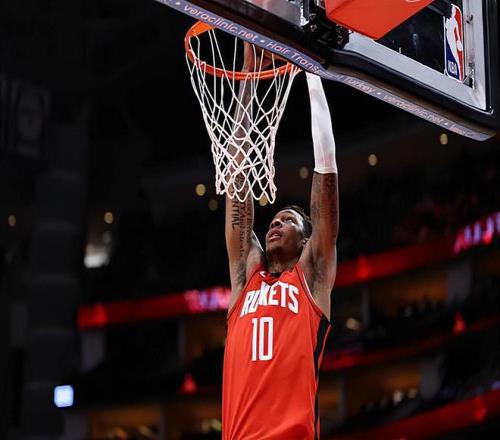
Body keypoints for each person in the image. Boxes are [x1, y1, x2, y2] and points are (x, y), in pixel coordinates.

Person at [222, 43, 339, 440]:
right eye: (273, 220)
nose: (275, 223)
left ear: (306, 242)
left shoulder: (311, 278)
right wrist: (247, 81)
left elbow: (326, 174)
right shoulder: (246, 277)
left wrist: (312, 73)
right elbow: (237, 177)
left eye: (288, 221)